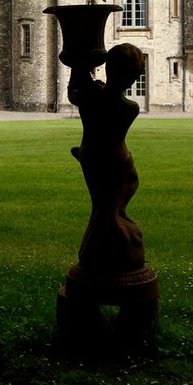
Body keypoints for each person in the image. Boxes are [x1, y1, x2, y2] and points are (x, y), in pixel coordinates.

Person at [66, 43, 147, 275]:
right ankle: (106, 249)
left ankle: (95, 250)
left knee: (103, 208)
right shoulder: (129, 107)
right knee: (109, 210)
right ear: (130, 77)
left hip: (91, 156)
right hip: (116, 162)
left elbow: (76, 91)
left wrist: (79, 64)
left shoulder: (90, 98)